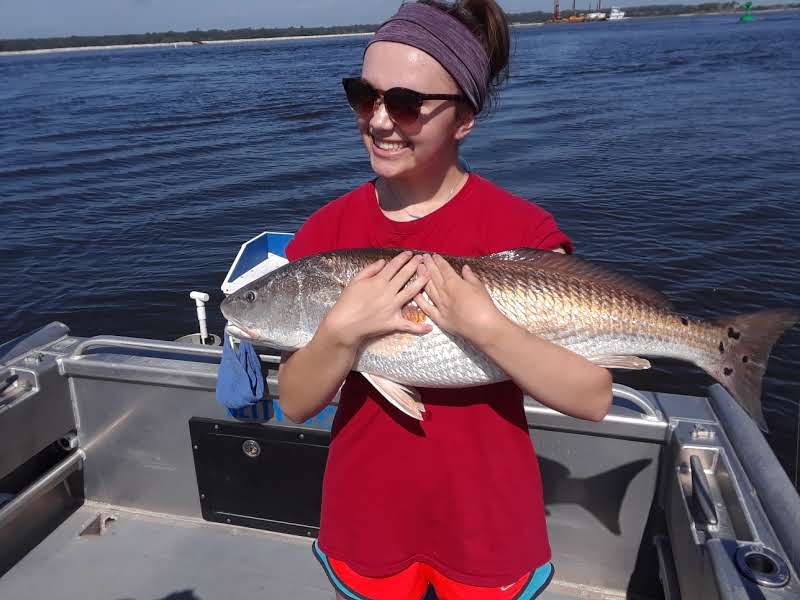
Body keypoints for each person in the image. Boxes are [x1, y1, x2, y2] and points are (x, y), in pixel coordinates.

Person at [278, 1, 613, 598]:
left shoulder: (523, 231)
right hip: (365, 520)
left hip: (489, 526)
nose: (379, 121)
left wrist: (487, 326)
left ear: (464, 119)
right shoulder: (324, 236)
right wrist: (341, 332)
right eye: (364, 95)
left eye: (406, 104)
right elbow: (298, 403)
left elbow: (591, 397)